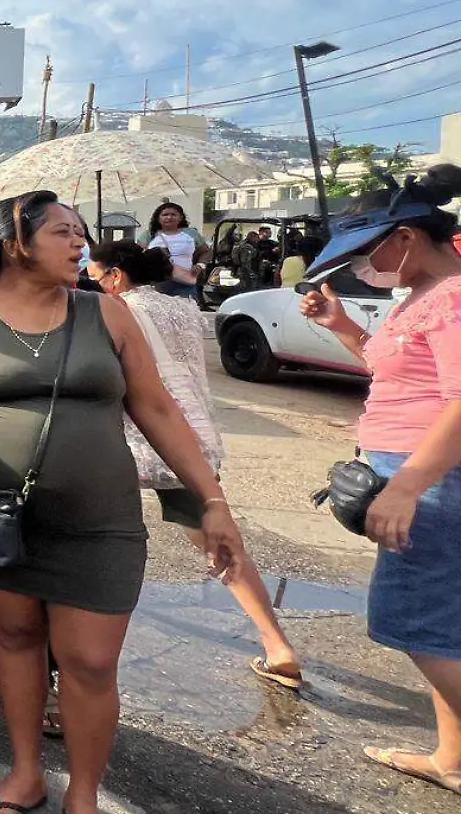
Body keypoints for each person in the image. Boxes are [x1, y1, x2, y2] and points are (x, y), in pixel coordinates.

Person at [0, 190, 245, 814]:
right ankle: (25, 775)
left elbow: (156, 408)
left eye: (81, 233)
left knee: (90, 662)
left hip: (100, 522)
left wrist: (212, 499)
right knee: (15, 641)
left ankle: (85, 797)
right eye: (64, 232)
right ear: (16, 243)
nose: (80, 245)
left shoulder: (108, 315)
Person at [295, 164, 461, 796]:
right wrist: (341, 326)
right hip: (413, 466)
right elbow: (396, 375)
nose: (365, 262)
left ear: (407, 240)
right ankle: (452, 758)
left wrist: (407, 485)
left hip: (432, 476)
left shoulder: (450, 299)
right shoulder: (423, 296)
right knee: (444, 625)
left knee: (410, 618)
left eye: (370, 248)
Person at [88, 240, 303, 687]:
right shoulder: (183, 310)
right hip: (193, 434)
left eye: (95, 271)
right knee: (219, 539)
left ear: (116, 276)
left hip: (133, 435)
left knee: (91, 539)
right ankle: (275, 642)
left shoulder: (113, 312)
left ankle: (81, 644)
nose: (89, 278)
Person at [146, 201, 207, 298]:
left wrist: (200, 265)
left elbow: (206, 251)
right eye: (165, 215)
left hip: (186, 280)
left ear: (181, 217)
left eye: (173, 214)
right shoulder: (149, 235)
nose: (169, 217)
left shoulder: (191, 233)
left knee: (186, 310)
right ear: (158, 218)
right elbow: (140, 255)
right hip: (158, 283)